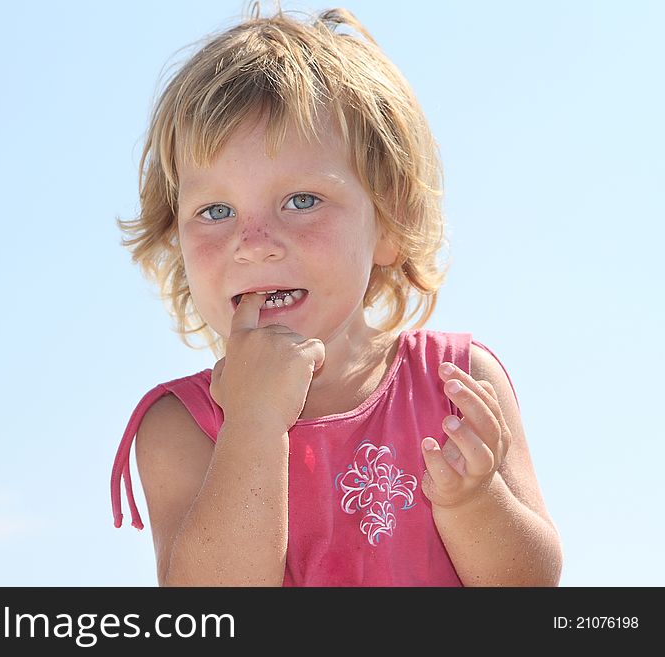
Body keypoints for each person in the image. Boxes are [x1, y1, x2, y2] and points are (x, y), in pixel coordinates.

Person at [110, 4, 563, 586]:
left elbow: (532, 588)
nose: (254, 244)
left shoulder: (458, 383)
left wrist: (473, 502)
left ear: (390, 225)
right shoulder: (181, 427)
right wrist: (253, 421)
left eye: (301, 200)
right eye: (215, 211)